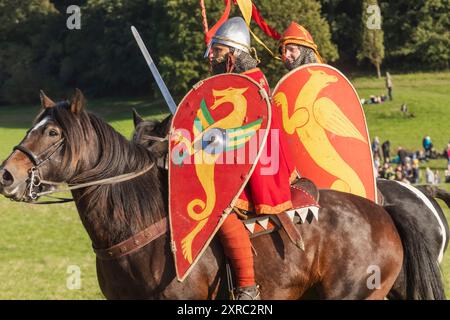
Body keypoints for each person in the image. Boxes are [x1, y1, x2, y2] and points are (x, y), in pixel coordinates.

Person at [204, 17, 296, 300]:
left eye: (217, 52)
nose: (212, 59)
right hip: (237, 161)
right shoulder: (236, 82)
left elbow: (244, 135)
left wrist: (209, 143)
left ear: (231, 57)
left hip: (255, 167)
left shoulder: (251, 84)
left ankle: (246, 289)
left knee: (220, 212)